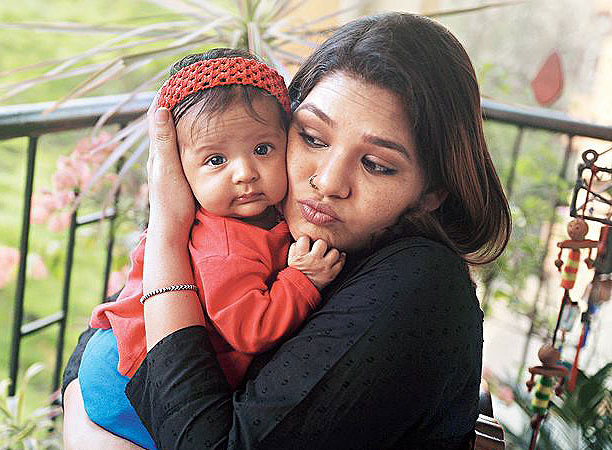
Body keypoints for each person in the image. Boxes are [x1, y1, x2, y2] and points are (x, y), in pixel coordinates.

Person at [63, 12, 511, 450]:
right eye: (313, 138)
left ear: (431, 191)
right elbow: (102, 337)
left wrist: (166, 234)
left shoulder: (416, 283)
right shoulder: (264, 219)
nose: (329, 182)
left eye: (376, 164)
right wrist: (79, 415)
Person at [77, 48, 345, 450]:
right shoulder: (222, 247)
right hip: (127, 384)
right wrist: (301, 280)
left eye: (262, 149)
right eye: (216, 159)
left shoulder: (261, 214)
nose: (244, 173)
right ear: (180, 172)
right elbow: (250, 328)